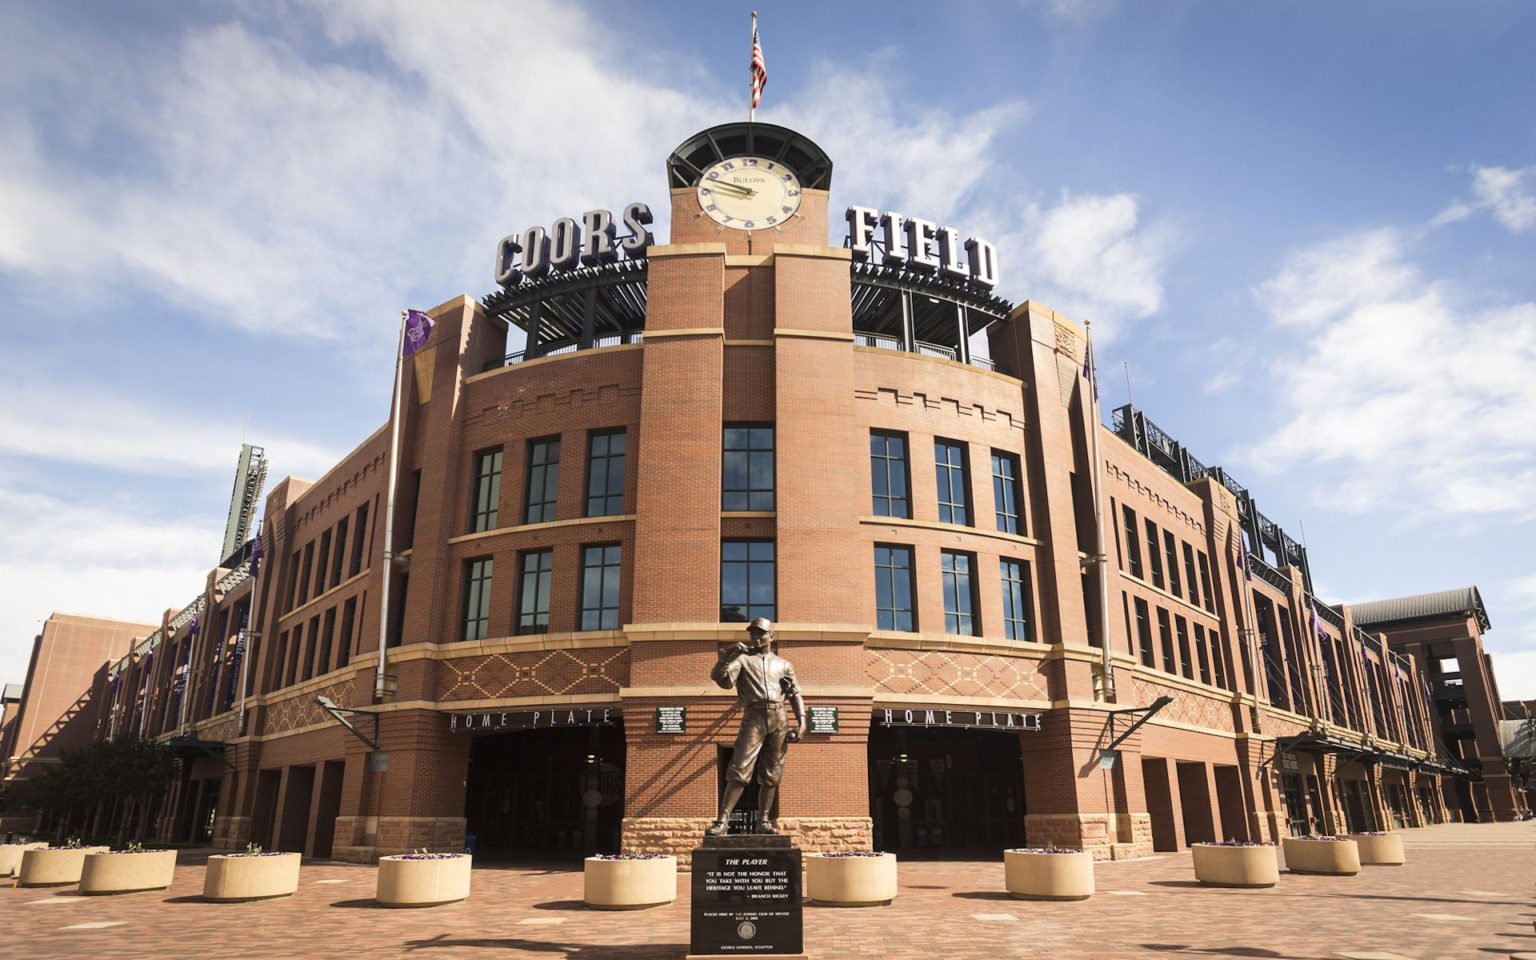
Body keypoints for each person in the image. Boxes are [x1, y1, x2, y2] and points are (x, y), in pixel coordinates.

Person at [705, 617, 806, 836]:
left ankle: (763, 821)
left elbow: (795, 694)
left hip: (779, 717)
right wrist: (727, 656)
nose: (755, 637)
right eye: (753, 633)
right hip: (754, 717)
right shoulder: (743, 660)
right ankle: (722, 821)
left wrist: (802, 723)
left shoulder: (784, 664)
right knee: (740, 769)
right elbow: (720, 679)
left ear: (771, 636)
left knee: (772, 773)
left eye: (760, 633)